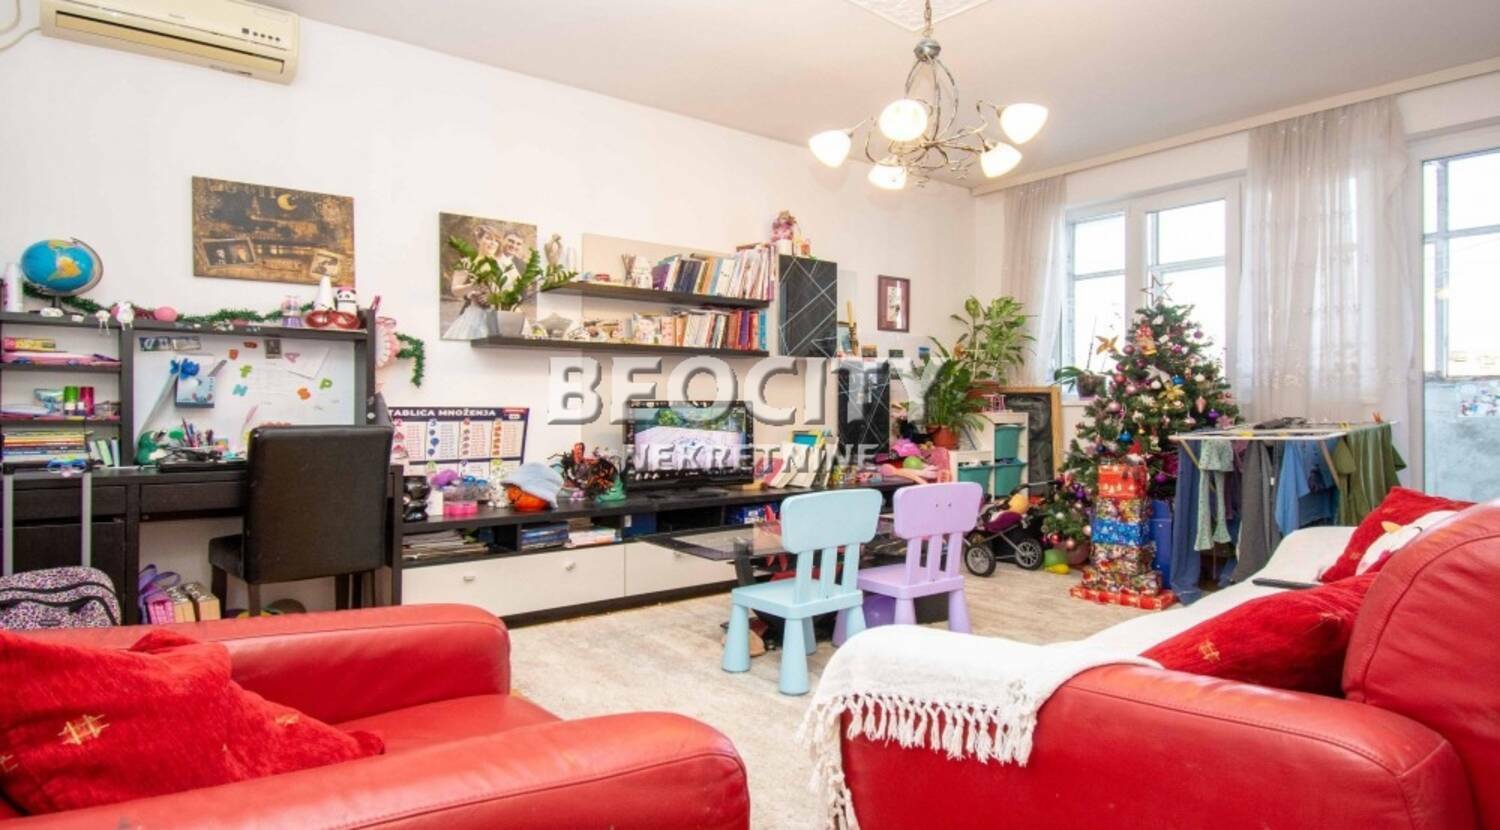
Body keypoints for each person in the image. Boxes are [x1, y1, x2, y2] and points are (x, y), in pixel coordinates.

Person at [443, 224, 509, 340]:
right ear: (479, 239)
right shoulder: (466, 262)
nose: (493, 243)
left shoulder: (504, 265)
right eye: (488, 238)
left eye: (496, 241)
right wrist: (472, 286)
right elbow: (455, 291)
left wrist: (495, 297)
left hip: (498, 318)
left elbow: (513, 293)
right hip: (474, 316)